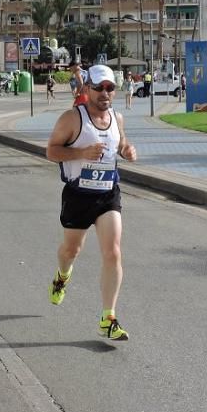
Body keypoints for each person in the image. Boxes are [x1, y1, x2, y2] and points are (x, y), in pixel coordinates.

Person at [45, 65, 137, 341]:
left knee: (113, 252)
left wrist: (127, 150)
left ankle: (108, 317)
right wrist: (82, 152)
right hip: (78, 195)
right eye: (99, 87)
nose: (105, 93)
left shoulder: (116, 118)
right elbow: (51, 151)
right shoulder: (72, 119)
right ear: (86, 89)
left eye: (110, 88)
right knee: (71, 250)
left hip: (108, 193)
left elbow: (120, 143)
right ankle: (62, 275)